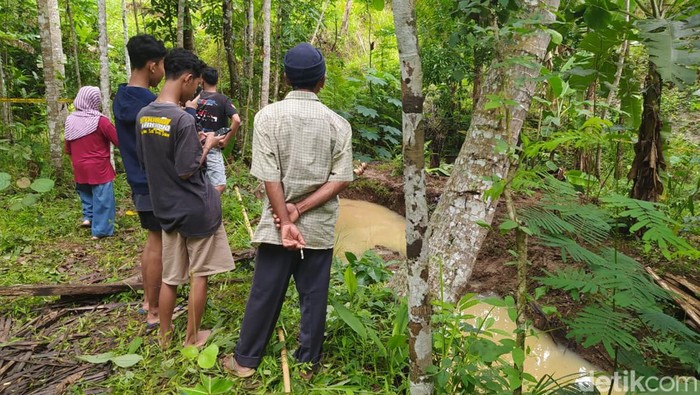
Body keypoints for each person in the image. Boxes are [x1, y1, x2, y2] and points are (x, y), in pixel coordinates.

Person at [223, 43, 354, 379]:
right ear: (322, 81)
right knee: (314, 297)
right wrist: (301, 210)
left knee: (265, 290)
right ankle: (308, 364)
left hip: (277, 222)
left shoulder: (268, 117)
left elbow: (270, 176)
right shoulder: (338, 125)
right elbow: (341, 179)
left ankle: (244, 362)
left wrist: (285, 218)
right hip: (319, 226)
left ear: (285, 78)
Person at [136, 48, 235, 347]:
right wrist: (209, 144)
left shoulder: (144, 115)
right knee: (199, 275)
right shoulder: (181, 119)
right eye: (196, 85)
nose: (196, 91)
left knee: (171, 277)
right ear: (188, 78)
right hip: (195, 208)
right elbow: (187, 168)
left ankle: (165, 338)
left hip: (166, 208)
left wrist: (194, 143)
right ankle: (192, 338)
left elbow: (147, 160)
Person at [113, 34, 167, 329]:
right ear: (152, 65)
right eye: (162, 67)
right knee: (159, 244)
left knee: (152, 240)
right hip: (154, 181)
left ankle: (149, 300)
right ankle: (155, 312)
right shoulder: (152, 105)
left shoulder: (122, 98)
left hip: (136, 180)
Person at [65, 86, 119, 240]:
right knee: (103, 198)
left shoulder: (70, 119)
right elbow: (117, 140)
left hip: (78, 165)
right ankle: (100, 230)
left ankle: (88, 217)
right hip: (98, 166)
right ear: (95, 101)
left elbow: (68, 146)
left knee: (86, 192)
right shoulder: (100, 121)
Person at [195, 67, 241, 193]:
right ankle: (208, 208)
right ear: (216, 81)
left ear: (202, 80)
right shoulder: (223, 100)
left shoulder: (195, 97)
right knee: (219, 185)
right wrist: (225, 140)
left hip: (193, 146)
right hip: (213, 147)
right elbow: (236, 120)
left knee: (196, 183)